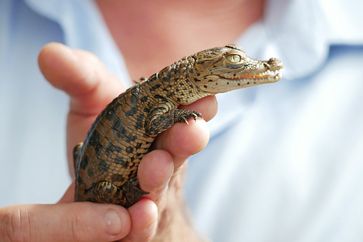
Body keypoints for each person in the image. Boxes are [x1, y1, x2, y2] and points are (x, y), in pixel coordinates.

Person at [0, 0, 362, 241]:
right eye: (233, 63)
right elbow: (158, 118)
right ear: (203, 72)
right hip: (106, 191)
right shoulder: (165, 98)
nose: (249, 67)